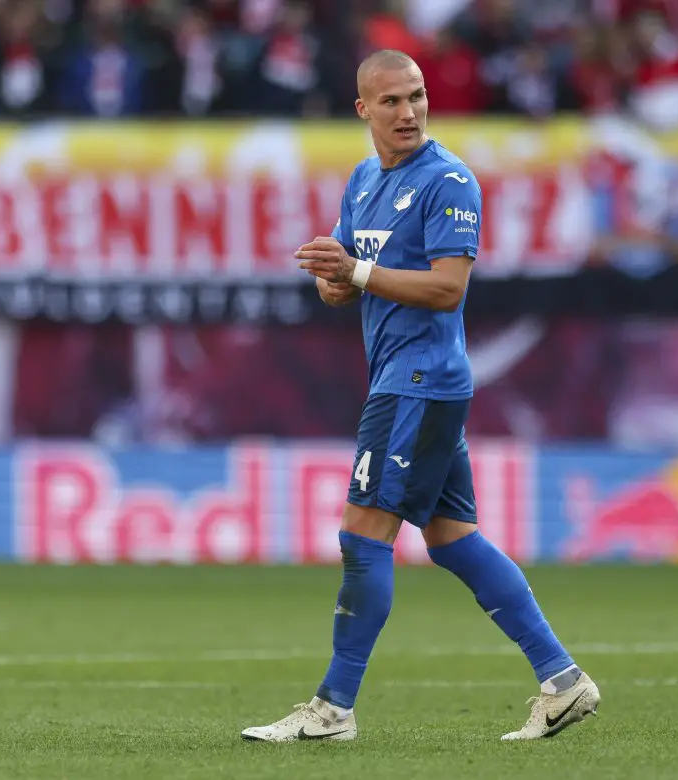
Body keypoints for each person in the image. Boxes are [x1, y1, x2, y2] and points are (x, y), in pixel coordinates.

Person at [240, 49, 600, 743]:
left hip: (420, 381)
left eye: (417, 96)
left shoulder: (449, 180)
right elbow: (347, 281)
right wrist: (332, 277)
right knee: (453, 539)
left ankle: (333, 708)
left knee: (362, 534)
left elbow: (447, 288)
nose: (408, 112)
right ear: (363, 110)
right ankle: (563, 681)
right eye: (393, 101)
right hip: (403, 379)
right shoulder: (363, 180)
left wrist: (360, 272)